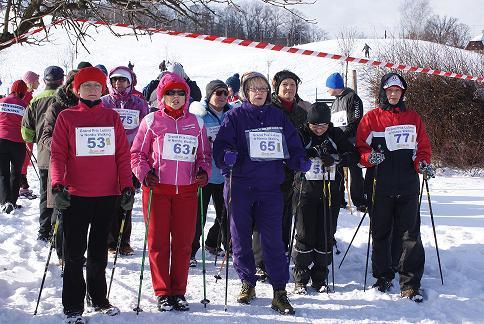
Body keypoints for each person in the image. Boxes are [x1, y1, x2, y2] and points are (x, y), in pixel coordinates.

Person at [213, 71, 310, 315]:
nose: (259, 93)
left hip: (270, 188)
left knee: (273, 240)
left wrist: (299, 159)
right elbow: (221, 146)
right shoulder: (235, 116)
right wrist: (226, 156)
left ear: (268, 93)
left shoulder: (277, 116)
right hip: (240, 187)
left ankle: (279, 290)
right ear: (246, 93)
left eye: (263, 89)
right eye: (254, 89)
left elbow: (293, 143)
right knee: (241, 237)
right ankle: (248, 282)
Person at [50, 67, 133, 323]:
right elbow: (58, 155)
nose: (92, 90)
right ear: (77, 89)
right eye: (87, 86)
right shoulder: (67, 117)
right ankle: (73, 304)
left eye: (97, 86)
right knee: (74, 253)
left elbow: (122, 154)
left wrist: (126, 186)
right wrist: (57, 184)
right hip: (75, 195)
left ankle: (98, 297)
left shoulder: (111, 117)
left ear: (102, 90)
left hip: (106, 194)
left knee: (99, 251)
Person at [131, 72, 211, 312]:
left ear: (186, 96)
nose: (175, 97)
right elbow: (136, 154)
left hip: (186, 190)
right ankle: (163, 291)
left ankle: (179, 290)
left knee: (184, 243)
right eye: (170, 93)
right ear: (161, 95)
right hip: (158, 190)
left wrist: (204, 172)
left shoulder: (196, 123)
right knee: (157, 242)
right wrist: (144, 173)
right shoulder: (151, 121)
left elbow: (205, 156)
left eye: (180, 93)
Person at [356, 72, 434, 302]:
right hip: (379, 184)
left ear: (402, 93)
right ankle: (382, 275)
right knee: (381, 232)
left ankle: (410, 283)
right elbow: (359, 150)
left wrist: (422, 163)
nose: (393, 94)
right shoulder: (371, 118)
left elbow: (423, 148)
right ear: (383, 92)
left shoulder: (413, 118)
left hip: (408, 183)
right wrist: (370, 158)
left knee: (410, 234)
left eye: (397, 91)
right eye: (389, 90)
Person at [292, 102, 359, 294]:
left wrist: (337, 158)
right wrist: (310, 154)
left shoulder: (336, 134)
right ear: (309, 123)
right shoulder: (301, 133)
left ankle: (320, 277)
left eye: (323, 125)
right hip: (305, 191)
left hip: (331, 192)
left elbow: (353, 155)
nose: (319, 129)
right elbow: (291, 155)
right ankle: (301, 277)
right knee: (304, 234)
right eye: (315, 126)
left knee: (326, 234)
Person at [252, 69, 310, 281]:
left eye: (292, 85)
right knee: (263, 216)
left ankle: (279, 254)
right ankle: (259, 261)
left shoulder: (301, 113)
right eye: (285, 85)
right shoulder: (268, 109)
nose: (289, 88)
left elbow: (304, 140)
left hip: (289, 172)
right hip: (266, 170)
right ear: (276, 88)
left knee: (285, 215)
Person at [101, 66, 149, 256]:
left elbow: (145, 128)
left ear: (130, 82)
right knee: (109, 199)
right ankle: (109, 241)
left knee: (126, 199)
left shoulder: (139, 103)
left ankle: (124, 241)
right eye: (115, 80)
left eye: (122, 80)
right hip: (107, 157)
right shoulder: (104, 102)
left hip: (130, 157)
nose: (118, 84)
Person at [188, 80, 231, 266]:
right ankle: (190, 252)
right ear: (209, 95)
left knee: (227, 214)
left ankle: (221, 245)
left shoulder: (232, 113)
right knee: (198, 216)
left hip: (225, 174)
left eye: (224, 93)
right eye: (217, 93)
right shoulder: (199, 114)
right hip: (204, 173)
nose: (221, 97)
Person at [21, 65, 65, 242]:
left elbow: (26, 130)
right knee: (59, 193)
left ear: (45, 80)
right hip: (63, 154)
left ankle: (44, 229)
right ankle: (56, 230)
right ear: (61, 81)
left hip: (44, 153)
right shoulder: (66, 99)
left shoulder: (35, 100)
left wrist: (35, 139)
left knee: (44, 193)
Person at [39, 70, 79, 263]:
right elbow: (45, 136)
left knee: (80, 214)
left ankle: (76, 252)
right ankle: (62, 253)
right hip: (60, 164)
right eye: (79, 84)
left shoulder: (91, 107)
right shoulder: (56, 106)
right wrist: (64, 146)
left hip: (84, 169)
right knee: (60, 211)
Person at [326, 72, 366, 212]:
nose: (327, 90)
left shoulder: (353, 98)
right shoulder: (335, 101)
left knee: (355, 172)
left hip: (352, 141)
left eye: (328, 87)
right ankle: (339, 199)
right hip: (338, 142)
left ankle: (360, 201)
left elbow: (356, 120)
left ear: (335, 86)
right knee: (338, 171)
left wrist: (344, 136)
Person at [0, 80, 28, 214]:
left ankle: (5, 202)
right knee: (16, 173)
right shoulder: (24, 105)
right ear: (22, 91)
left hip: (1, 140)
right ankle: (13, 201)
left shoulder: (2, 101)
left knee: (3, 173)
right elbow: (27, 124)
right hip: (18, 143)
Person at [19, 70, 40, 199]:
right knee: (25, 158)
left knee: (25, 158)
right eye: (36, 80)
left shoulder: (29, 95)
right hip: (26, 131)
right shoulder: (27, 96)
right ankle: (22, 184)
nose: (38, 82)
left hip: (27, 130)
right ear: (31, 83)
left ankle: (22, 183)